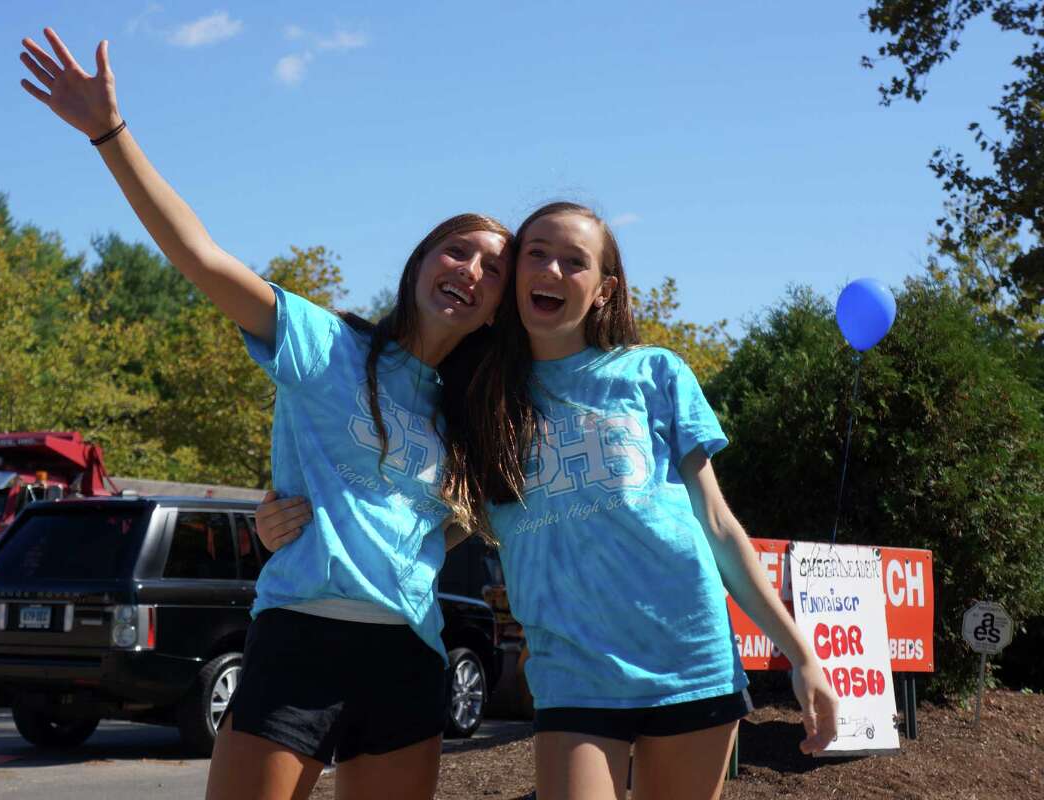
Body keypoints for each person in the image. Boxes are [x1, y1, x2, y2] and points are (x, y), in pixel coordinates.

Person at [17, 28, 511, 800]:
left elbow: (452, 518)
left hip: (410, 657)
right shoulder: (325, 346)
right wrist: (110, 134)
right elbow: (203, 258)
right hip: (299, 642)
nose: (470, 271)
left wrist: (402, 526)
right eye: (457, 250)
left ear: (493, 315)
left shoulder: (470, 415)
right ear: (421, 261)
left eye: (491, 271)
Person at [257, 202, 839, 800]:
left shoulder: (655, 373)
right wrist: (306, 524)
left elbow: (717, 525)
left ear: (604, 288)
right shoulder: (479, 400)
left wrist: (802, 657)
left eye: (574, 261)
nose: (552, 271)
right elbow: (429, 508)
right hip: (572, 679)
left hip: (690, 660)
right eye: (536, 254)